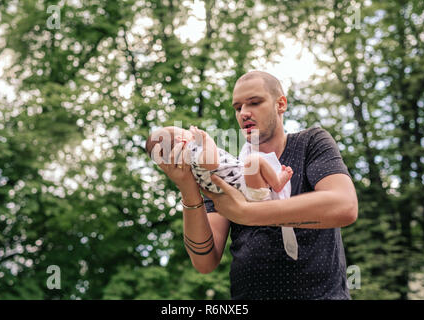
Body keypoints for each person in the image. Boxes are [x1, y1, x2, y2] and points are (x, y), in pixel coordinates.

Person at [152, 70, 358, 299]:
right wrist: (188, 189)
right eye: (238, 107)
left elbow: (344, 206)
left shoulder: (311, 142)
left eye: (255, 103)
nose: (244, 113)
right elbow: (204, 262)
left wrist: (248, 213)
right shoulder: (225, 172)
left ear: (281, 104)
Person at [145, 125, 297, 259]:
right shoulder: (193, 152)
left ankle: (272, 183)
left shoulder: (188, 166)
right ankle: (277, 183)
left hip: (246, 192)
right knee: (254, 161)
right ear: (181, 140)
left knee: (252, 163)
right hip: (248, 191)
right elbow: (212, 162)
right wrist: (206, 139)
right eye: (185, 131)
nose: (191, 131)